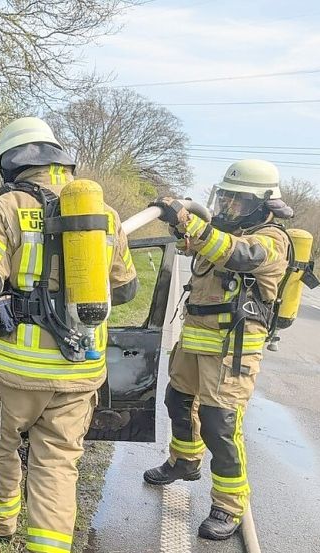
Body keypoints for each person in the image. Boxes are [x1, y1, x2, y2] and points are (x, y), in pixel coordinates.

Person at [0, 117, 138, 549]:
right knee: (58, 464)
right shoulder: (105, 215)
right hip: (81, 373)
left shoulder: (6, 209)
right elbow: (128, 286)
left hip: (16, 374)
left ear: (10, 164)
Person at [144, 160, 292, 540]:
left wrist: (193, 222)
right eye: (224, 200)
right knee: (177, 402)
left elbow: (239, 256)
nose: (228, 209)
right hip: (196, 340)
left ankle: (228, 506)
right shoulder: (227, 231)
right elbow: (198, 243)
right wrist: (177, 219)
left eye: (238, 203)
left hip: (232, 351)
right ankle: (184, 462)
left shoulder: (271, 239)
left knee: (220, 426)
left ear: (264, 204)